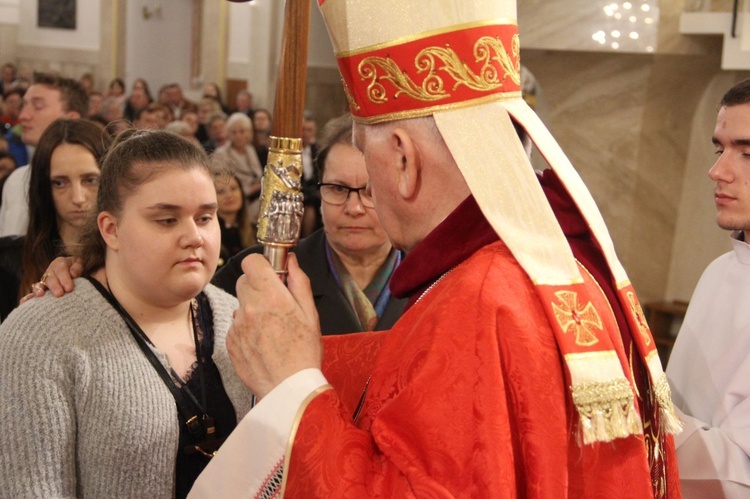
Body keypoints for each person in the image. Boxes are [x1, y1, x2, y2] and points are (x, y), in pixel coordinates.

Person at [190, 1, 682, 497]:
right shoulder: (548, 263)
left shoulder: (479, 298)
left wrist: (291, 382)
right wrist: (302, 349)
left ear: (403, 158)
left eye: (366, 151)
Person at [0, 129, 252, 497]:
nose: (194, 237)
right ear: (111, 229)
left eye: (204, 217)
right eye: (167, 220)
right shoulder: (38, 336)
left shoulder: (236, 316)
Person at [212, 113, 406, 335]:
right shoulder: (257, 272)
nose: (354, 208)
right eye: (338, 189)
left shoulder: (434, 279)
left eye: (370, 191)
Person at [666, 78, 750, 498]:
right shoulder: (719, 271)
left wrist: (630, 413)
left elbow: (739, 473)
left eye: (747, 153)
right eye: (720, 149)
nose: (717, 171)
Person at [0, 118, 110, 321]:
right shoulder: (7, 262)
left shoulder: (126, 261)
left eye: (90, 180)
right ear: (44, 188)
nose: (78, 197)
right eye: (60, 183)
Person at [0, 72, 88, 237]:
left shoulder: (92, 184)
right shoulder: (17, 179)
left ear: (71, 118)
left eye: (38, 106)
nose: (23, 116)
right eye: (24, 105)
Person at [212, 112, 263, 221]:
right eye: (234, 132)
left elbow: (258, 174)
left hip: (258, 194)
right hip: (237, 196)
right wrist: (252, 188)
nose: (238, 136)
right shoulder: (221, 153)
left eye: (242, 131)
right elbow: (220, 183)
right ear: (228, 134)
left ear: (249, 133)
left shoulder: (250, 149)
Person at [214, 173, 256, 267]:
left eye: (233, 188)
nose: (229, 195)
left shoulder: (257, 231)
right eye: (220, 191)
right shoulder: (208, 236)